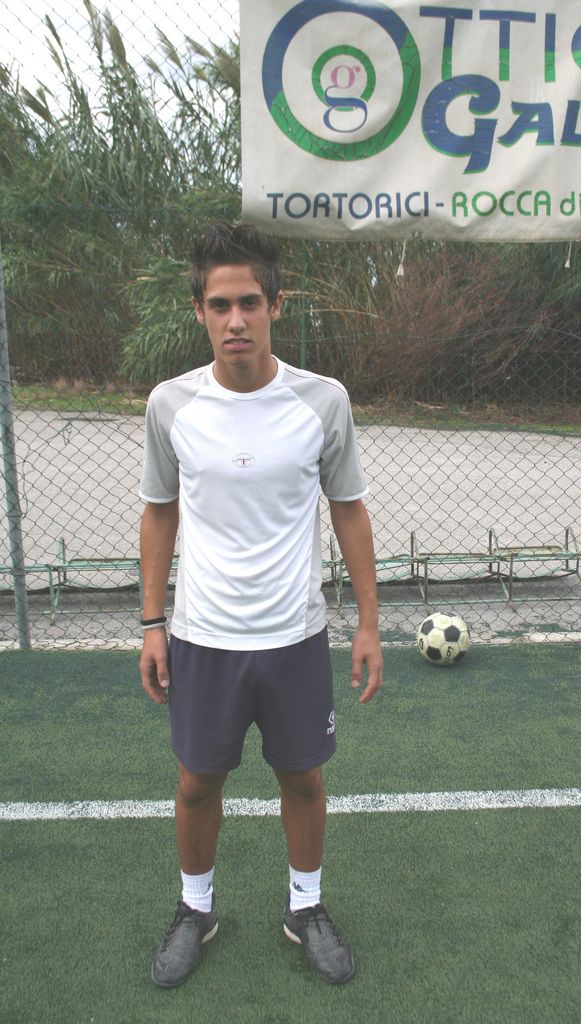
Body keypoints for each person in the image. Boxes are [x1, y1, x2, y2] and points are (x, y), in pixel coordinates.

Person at [138, 221, 383, 989]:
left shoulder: (322, 401)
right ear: (199, 312)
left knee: (302, 778)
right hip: (202, 638)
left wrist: (368, 624)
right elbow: (158, 512)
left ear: (276, 305)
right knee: (195, 783)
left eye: (249, 302)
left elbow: (349, 510)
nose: (235, 319)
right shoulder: (170, 405)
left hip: (294, 637)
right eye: (219, 305)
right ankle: (195, 909)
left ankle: (305, 907)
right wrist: (151, 624)